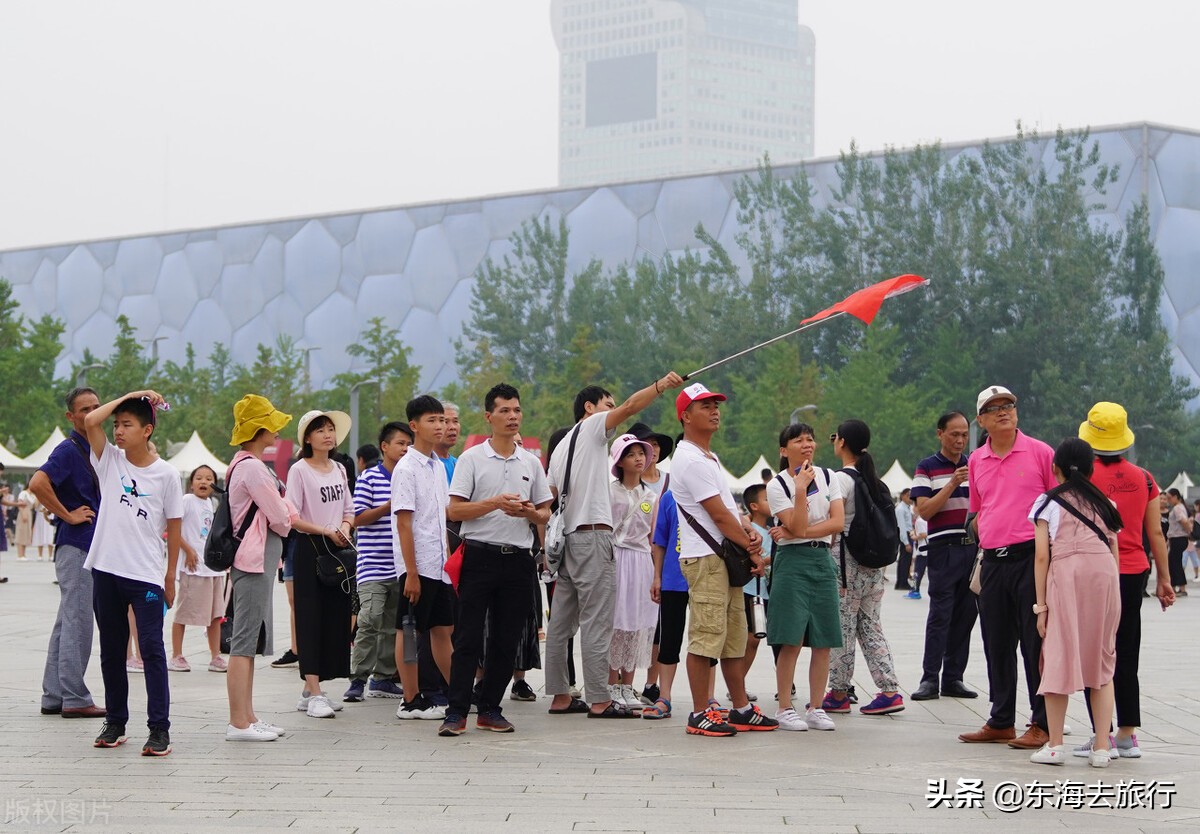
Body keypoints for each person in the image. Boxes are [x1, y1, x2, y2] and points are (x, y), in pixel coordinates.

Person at [544, 372, 683, 719]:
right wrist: (660, 386)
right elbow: (632, 406)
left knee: (561, 623)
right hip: (593, 537)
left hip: (568, 538)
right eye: (608, 404)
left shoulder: (561, 447)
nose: (615, 410)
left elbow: (549, 497)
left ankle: (560, 695)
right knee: (597, 620)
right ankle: (599, 699)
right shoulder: (592, 428)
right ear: (589, 407)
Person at [442, 384, 552, 735]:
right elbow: (455, 510)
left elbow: (545, 513)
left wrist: (529, 513)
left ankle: (490, 708)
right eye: (504, 410)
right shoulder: (472, 458)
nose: (512, 416)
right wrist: (494, 503)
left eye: (516, 410)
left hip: (518, 560)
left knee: (507, 640)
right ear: (489, 417)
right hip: (479, 555)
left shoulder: (531, 462)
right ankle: (456, 712)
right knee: (468, 638)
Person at [671, 382, 776, 736]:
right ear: (685, 416)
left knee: (733, 637)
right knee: (706, 635)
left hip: (723, 558)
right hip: (706, 560)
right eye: (705, 406)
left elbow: (732, 511)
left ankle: (741, 708)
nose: (715, 411)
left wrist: (749, 533)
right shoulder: (689, 458)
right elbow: (718, 516)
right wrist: (753, 548)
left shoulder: (708, 457)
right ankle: (700, 712)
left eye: (716, 405)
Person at [83, 390, 183, 756]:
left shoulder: (167, 474)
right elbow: (90, 421)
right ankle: (115, 722)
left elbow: (174, 527)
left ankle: (159, 729)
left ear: (147, 430)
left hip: (146, 576)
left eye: (127, 425)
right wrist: (131, 395)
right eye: (117, 425)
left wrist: (170, 577)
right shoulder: (109, 460)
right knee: (112, 651)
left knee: (152, 650)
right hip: (106, 570)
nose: (118, 431)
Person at [958, 385, 1056, 749]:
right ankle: (1001, 719)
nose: (1003, 411)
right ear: (981, 420)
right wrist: (981, 530)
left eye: (1008, 405)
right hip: (993, 562)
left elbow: (1058, 506)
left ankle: (1042, 722)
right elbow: (977, 509)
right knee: (996, 642)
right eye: (993, 408)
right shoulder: (976, 460)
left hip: (1031, 559)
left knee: (1035, 643)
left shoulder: (1041, 452)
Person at [1078, 401, 1174, 759]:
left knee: (1096, 652)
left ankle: (1100, 734)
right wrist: (1164, 580)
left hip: (1096, 571)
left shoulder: (1082, 478)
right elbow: (1156, 533)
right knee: (1127, 649)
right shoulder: (1145, 478)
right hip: (1135, 572)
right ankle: (1127, 734)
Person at [1028, 438, 1123, 768]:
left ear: (1055, 468)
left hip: (1067, 576)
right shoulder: (1106, 503)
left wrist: (1041, 607)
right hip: (1104, 579)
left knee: (1057, 655)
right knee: (1102, 661)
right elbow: (1113, 551)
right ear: (1091, 469)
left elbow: (1042, 556)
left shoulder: (1046, 502)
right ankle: (1101, 748)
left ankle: (1055, 746)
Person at [224, 394, 295, 742]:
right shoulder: (252, 468)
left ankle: (248, 716)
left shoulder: (243, 463)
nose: (277, 430)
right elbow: (280, 516)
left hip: (254, 559)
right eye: (271, 424)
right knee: (244, 641)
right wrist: (285, 517)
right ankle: (239, 722)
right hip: (253, 560)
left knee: (249, 639)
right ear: (260, 429)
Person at [765, 422, 844, 732]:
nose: (807, 444)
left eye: (810, 439)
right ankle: (785, 707)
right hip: (792, 563)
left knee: (824, 638)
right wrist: (799, 489)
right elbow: (796, 524)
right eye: (798, 440)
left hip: (822, 559)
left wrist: (795, 532)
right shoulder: (777, 485)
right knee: (791, 639)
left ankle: (816, 706)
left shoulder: (829, 476)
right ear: (784, 450)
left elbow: (837, 522)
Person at [32, 387, 105, 719]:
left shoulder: (93, 448)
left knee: (67, 621)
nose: (91, 413)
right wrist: (67, 514)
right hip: (77, 545)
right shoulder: (69, 449)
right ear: (71, 416)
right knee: (79, 622)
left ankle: (54, 694)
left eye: (96, 407)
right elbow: (38, 483)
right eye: (84, 409)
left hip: (82, 545)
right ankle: (75, 697)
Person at [824, 420, 905, 717]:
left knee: (842, 627)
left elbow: (831, 521)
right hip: (873, 566)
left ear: (842, 442)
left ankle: (838, 693)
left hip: (847, 564)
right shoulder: (875, 481)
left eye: (835, 437)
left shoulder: (840, 479)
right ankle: (889, 690)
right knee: (870, 626)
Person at [286, 409, 356, 719]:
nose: (328, 434)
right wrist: (325, 530)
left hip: (338, 549)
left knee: (334, 618)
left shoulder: (339, 468)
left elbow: (349, 508)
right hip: (310, 548)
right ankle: (314, 692)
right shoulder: (299, 470)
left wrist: (345, 527)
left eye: (331, 429)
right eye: (320, 430)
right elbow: (292, 516)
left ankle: (311, 690)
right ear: (307, 438)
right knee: (310, 619)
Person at [393, 395, 455, 721]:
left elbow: (441, 518)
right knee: (408, 629)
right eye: (432, 420)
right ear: (414, 426)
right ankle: (410, 700)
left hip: (439, 564)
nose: (440, 426)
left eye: (442, 419)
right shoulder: (406, 468)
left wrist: (449, 563)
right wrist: (411, 573)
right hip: (416, 565)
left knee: (443, 629)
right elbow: (404, 524)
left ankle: (458, 694)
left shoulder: (438, 467)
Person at [909, 411, 978, 701]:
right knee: (940, 615)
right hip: (943, 549)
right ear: (940, 434)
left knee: (966, 615)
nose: (960, 440)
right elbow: (924, 511)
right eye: (954, 434)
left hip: (972, 548)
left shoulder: (975, 465)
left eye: (964, 435)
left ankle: (953, 677)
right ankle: (929, 678)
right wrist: (951, 483)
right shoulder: (927, 467)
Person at [343, 422, 411, 703]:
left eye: (409, 444)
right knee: (370, 619)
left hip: (402, 565)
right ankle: (357, 679)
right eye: (400, 443)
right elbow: (357, 518)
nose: (406, 449)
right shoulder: (369, 477)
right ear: (385, 446)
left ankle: (382, 678)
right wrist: (389, 506)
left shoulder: (410, 475)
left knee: (393, 625)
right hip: (372, 564)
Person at [606, 433, 658, 710]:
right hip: (615, 558)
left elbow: (653, 538)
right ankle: (610, 685)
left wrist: (657, 573)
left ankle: (628, 686)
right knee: (616, 622)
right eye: (630, 454)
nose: (638, 459)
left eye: (641, 454)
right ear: (619, 461)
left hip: (641, 561)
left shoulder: (651, 496)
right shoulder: (609, 492)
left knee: (637, 623)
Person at [168, 466, 226, 673]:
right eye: (199, 478)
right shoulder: (186, 501)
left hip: (212, 569)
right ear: (191, 484)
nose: (204, 481)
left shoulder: (212, 503)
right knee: (183, 613)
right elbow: (172, 529)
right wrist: (188, 550)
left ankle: (215, 656)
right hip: (193, 568)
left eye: (209, 478)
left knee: (215, 616)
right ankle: (176, 655)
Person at [740, 483, 773, 701]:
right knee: (748, 639)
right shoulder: (747, 528)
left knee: (755, 640)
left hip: (765, 592)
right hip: (748, 589)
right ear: (754, 506)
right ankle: (737, 685)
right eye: (767, 499)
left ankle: (739, 683)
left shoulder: (774, 529)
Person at [1164, 488, 1192, 596]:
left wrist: (1188, 531)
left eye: (1169, 498)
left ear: (1176, 497)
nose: (1168, 500)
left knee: (1174, 563)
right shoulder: (1181, 507)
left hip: (1178, 538)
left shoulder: (1177, 508)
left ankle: (1180, 587)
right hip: (1178, 538)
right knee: (1175, 562)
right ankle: (1177, 586)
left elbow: (1183, 520)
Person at [893, 488, 915, 591]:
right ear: (902, 496)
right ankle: (902, 583)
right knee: (904, 560)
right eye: (908, 495)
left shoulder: (907, 507)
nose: (910, 498)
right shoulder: (901, 509)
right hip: (904, 535)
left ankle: (902, 581)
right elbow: (901, 527)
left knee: (907, 560)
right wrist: (906, 543)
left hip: (908, 534)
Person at [907, 514, 929, 598]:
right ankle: (914, 590)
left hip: (922, 550)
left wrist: (914, 537)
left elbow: (923, 534)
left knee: (917, 571)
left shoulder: (919, 520)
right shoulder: (926, 519)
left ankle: (915, 591)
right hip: (927, 549)